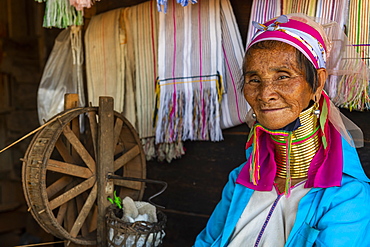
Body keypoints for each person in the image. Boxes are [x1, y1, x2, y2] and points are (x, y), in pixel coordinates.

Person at [194, 13, 370, 247]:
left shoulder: (348, 197)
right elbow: (206, 242)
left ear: (317, 82)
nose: (266, 94)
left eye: (283, 76)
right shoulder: (241, 179)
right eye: (254, 79)